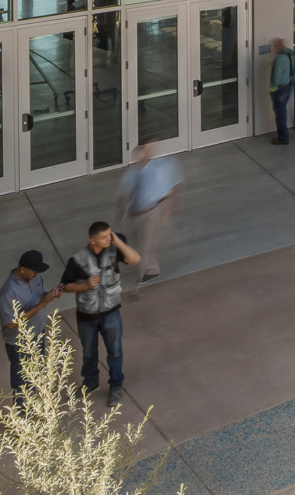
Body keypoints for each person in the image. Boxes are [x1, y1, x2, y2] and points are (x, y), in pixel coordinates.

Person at [61, 222, 141, 404]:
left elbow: (135, 259)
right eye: (105, 237)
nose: (109, 239)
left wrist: (117, 241)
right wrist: (84, 286)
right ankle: (90, 382)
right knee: (89, 352)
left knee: (115, 351)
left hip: (111, 313)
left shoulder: (114, 250)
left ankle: (116, 386)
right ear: (92, 240)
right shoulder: (78, 260)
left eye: (110, 235)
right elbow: (63, 286)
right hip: (86, 316)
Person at [115, 143, 183, 285]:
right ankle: (151, 269)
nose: (142, 160)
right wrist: (120, 213)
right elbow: (124, 194)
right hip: (135, 213)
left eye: (144, 156)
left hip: (151, 212)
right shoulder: (132, 173)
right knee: (140, 243)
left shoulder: (155, 172)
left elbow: (166, 192)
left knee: (144, 245)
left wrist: (166, 211)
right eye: (139, 158)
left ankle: (142, 277)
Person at [0, 250, 62, 397]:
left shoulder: (34, 278)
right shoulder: (8, 292)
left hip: (38, 333)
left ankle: (33, 408)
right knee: (21, 383)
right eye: (34, 271)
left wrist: (50, 294)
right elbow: (11, 323)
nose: (37, 274)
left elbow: (40, 294)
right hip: (20, 343)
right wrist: (41, 305)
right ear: (22, 269)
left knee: (36, 374)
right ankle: (22, 416)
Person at [269, 36, 295, 144]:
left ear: (278, 46)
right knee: (283, 111)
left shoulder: (279, 58)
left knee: (280, 113)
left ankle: (283, 138)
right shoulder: (291, 55)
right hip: (289, 86)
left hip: (280, 89)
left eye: (274, 46)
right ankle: (284, 136)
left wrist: (272, 89)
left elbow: (276, 78)